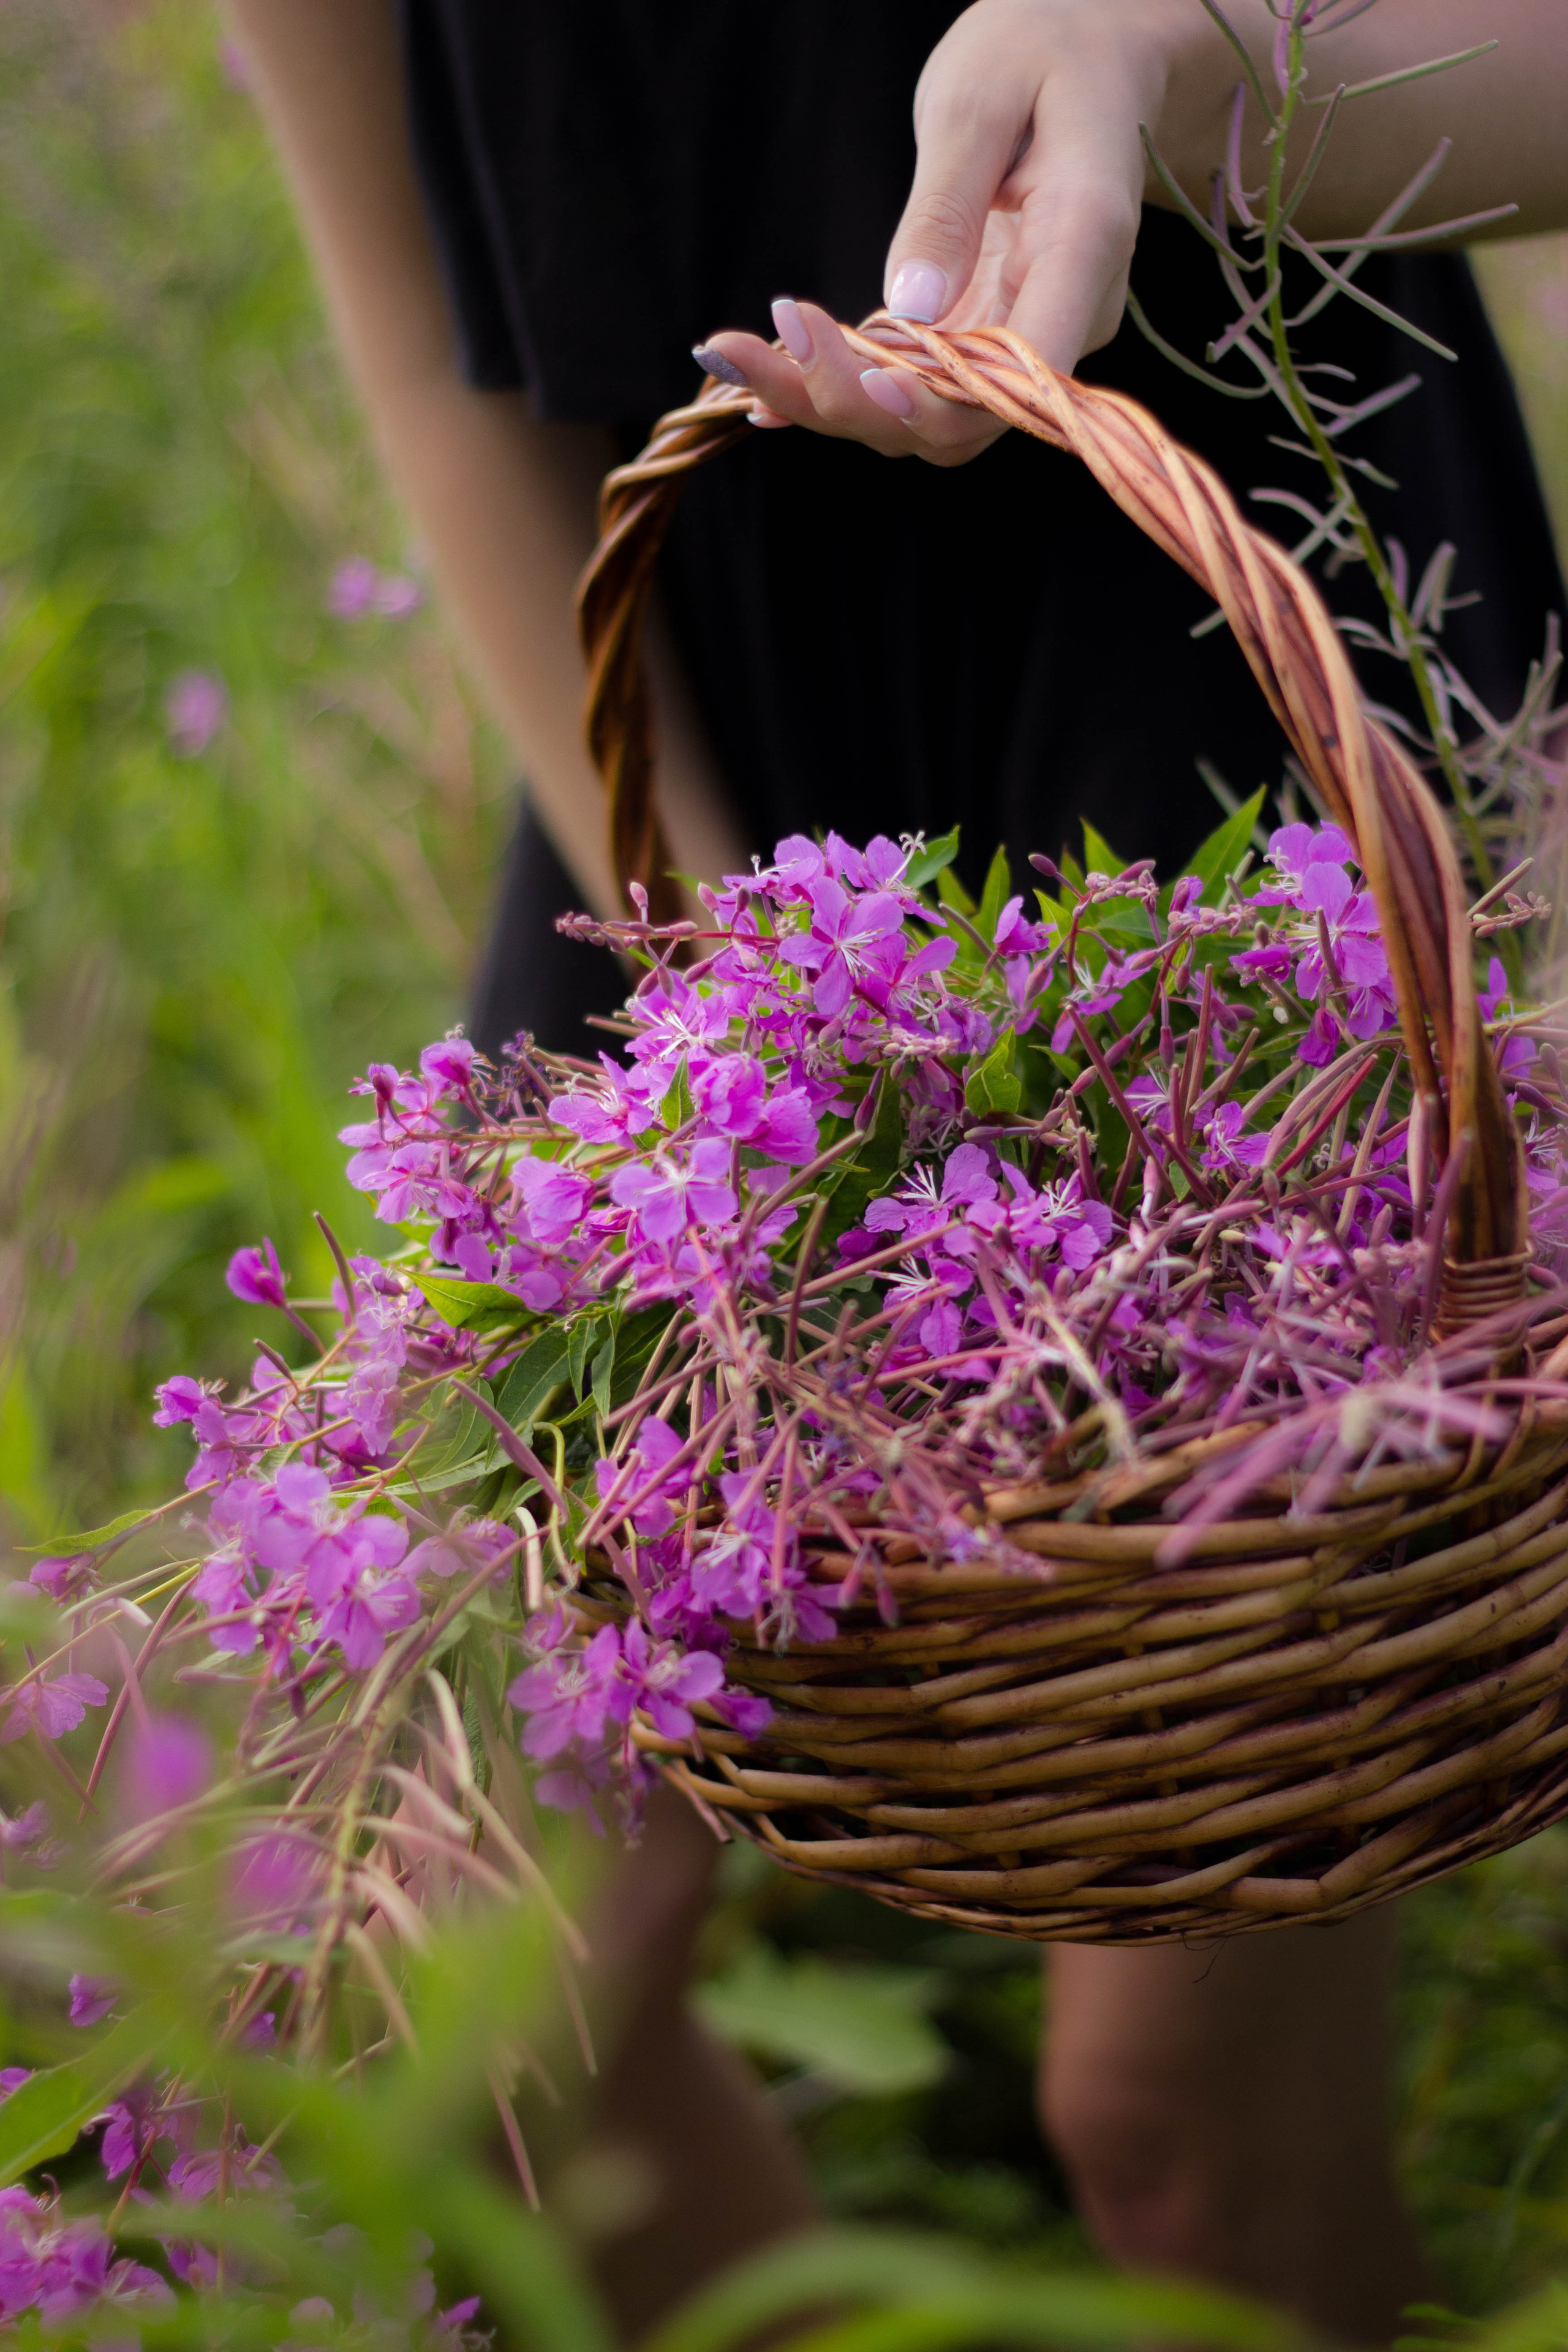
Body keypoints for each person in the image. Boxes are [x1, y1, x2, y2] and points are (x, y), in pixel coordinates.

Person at [223, 3, 1568, 2340]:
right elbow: (431, 336)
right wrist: (733, 988)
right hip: (699, 740)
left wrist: (1190, 63)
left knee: (1177, 2121)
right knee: (492, 1993)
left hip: (1230, 660)